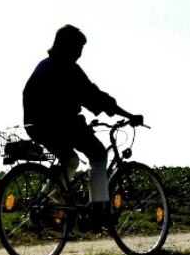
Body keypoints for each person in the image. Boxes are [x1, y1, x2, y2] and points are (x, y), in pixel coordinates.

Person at [23, 24, 142, 231]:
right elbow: (94, 95)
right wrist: (128, 114)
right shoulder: (66, 68)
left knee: (70, 160)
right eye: (78, 48)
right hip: (59, 123)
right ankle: (99, 212)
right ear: (67, 47)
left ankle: (47, 201)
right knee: (98, 155)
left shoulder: (45, 65)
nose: (79, 53)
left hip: (36, 124)